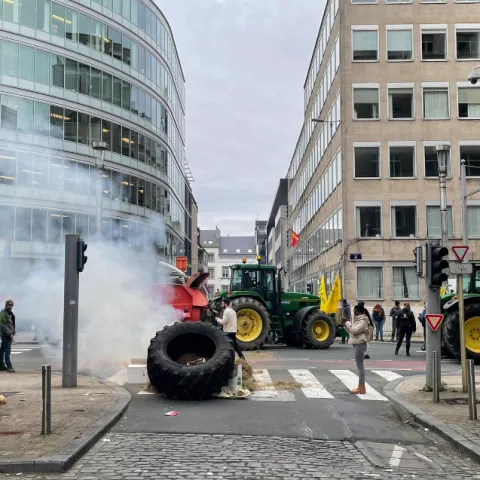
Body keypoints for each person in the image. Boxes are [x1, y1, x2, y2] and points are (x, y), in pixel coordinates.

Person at [341, 303, 373, 394]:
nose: (354, 313)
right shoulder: (357, 320)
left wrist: (347, 322)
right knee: (359, 365)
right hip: (356, 343)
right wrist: (345, 324)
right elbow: (351, 332)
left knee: (360, 366)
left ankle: (361, 387)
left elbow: (354, 331)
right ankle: (361, 387)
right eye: (353, 312)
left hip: (360, 343)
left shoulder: (363, 321)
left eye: (356, 312)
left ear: (361, 312)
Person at [0, 299, 16, 373]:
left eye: (11, 305)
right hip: (5, 335)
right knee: (7, 351)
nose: (10, 306)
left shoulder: (10, 314)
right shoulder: (3, 314)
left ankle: (1, 365)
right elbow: (3, 326)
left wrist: (13, 332)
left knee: (2, 350)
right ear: (6, 305)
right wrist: (10, 334)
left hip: (8, 335)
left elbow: (11, 324)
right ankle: (9, 367)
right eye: (9, 305)